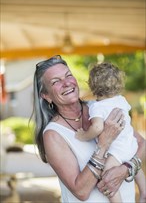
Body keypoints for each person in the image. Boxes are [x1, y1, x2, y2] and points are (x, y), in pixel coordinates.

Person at [32, 55, 146, 203]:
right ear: (46, 96)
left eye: (68, 75)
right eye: (56, 82)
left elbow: (140, 143)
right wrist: (103, 143)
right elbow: (81, 191)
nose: (66, 83)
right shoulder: (53, 134)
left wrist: (126, 169)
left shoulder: (100, 106)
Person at [75, 62, 146, 203]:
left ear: (92, 85)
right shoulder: (122, 100)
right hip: (130, 145)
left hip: (117, 151)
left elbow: (97, 128)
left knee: (106, 176)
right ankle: (144, 192)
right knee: (136, 168)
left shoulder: (97, 106)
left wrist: (83, 135)